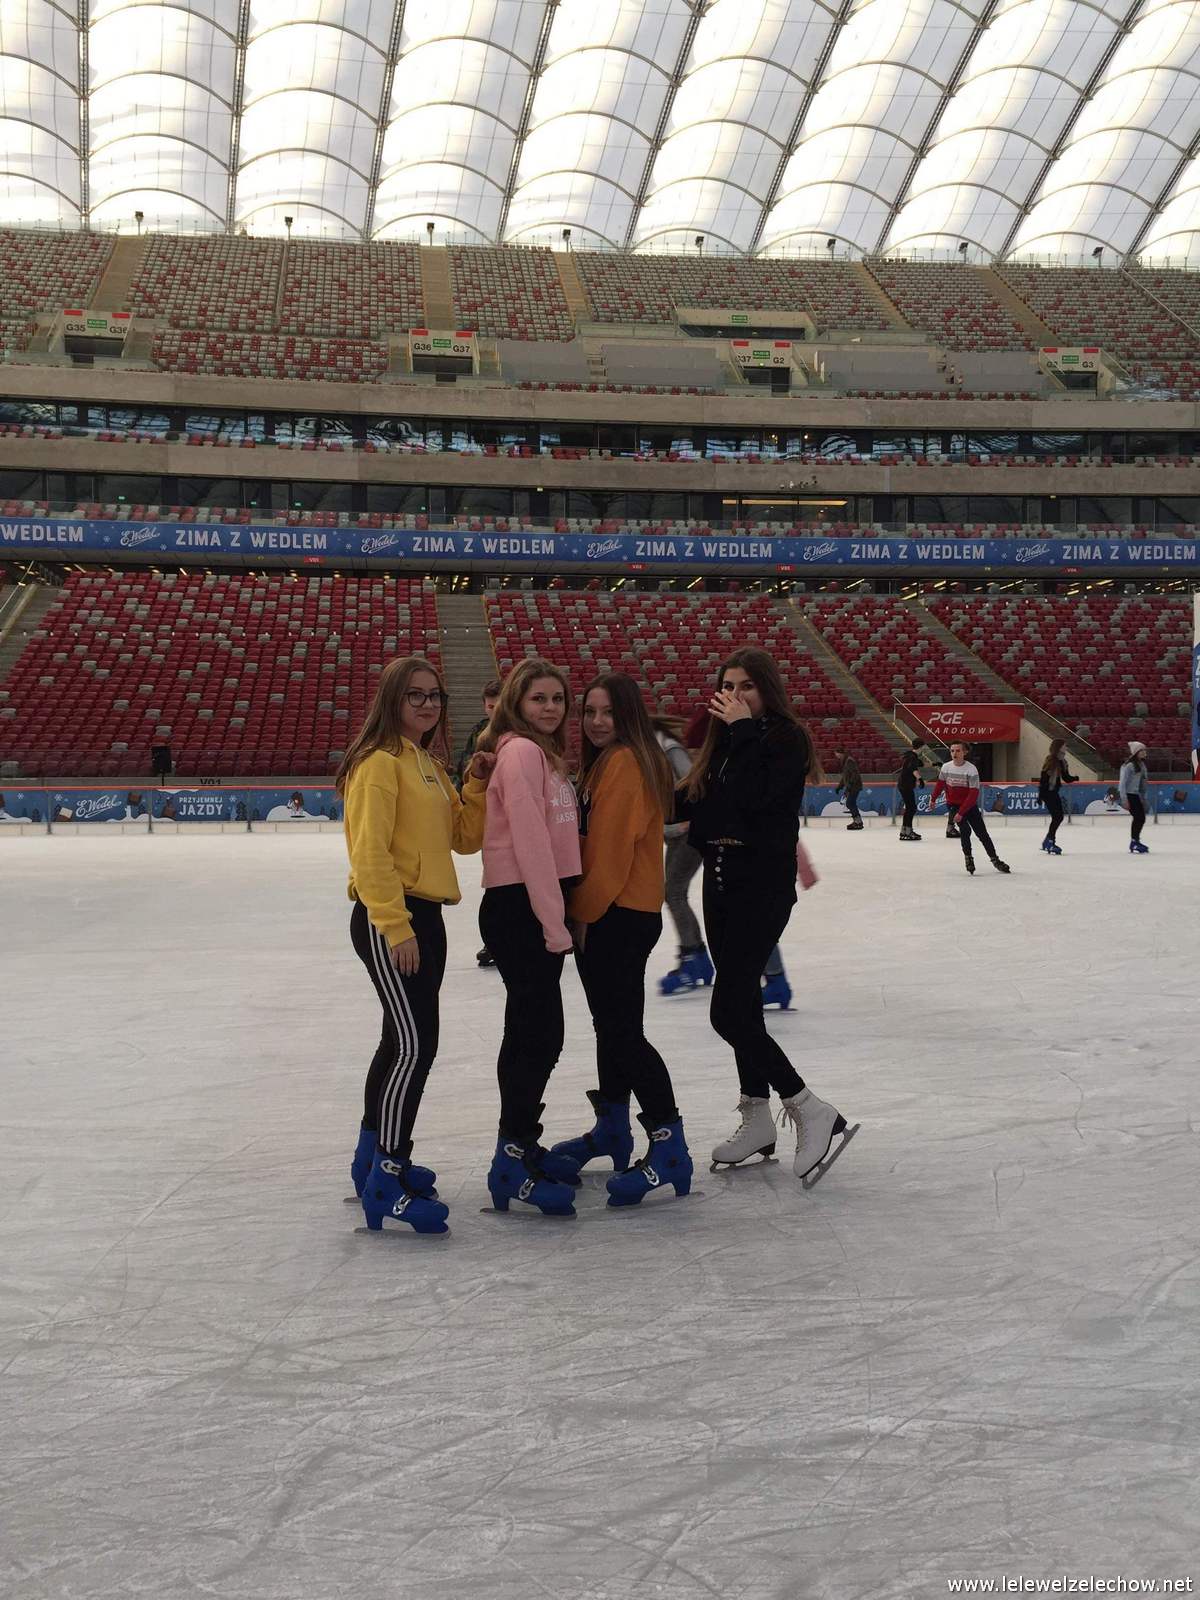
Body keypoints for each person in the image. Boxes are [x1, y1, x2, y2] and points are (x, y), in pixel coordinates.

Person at [677, 647, 856, 1187]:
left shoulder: (783, 738)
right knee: (745, 1005)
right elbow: (704, 810)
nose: (735, 696)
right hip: (719, 881)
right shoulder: (724, 743)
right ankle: (756, 1115)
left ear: (767, 690)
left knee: (727, 1013)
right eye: (728, 686)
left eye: (747, 686)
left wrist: (740, 731)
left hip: (760, 888)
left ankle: (808, 1107)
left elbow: (756, 799)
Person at [338, 655, 491, 1236]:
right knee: (413, 1046)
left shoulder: (426, 763)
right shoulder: (378, 764)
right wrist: (396, 926)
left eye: (435, 696)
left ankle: (372, 1161)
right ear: (392, 700)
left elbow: (463, 837)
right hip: (392, 917)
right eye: (415, 695)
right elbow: (369, 854)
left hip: (426, 915)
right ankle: (387, 1176)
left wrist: (476, 781)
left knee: (400, 1042)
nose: (428, 705)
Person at [548, 675, 692, 1207]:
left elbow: (609, 856)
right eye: (589, 711)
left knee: (623, 1034)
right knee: (611, 1030)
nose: (596, 721)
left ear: (628, 714)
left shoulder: (627, 762)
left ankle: (669, 1145)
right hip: (612, 913)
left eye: (608, 712)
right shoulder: (604, 762)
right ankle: (612, 1127)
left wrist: (580, 914)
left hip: (618, 914)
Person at [475, 659, 584, 1216]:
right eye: (539, 698)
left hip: (533, 903)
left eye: (557, 699)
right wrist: (553, 922)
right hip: (522, 906)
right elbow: (531, 843)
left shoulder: (540, 754)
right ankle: (511, 1158)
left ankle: (518, 1144)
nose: (550, 707)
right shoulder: (520, 753)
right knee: (538, 1036)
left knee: (529, 1032)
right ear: (517, 701)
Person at [654, 712, 714, 996]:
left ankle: (693, 959)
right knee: (674, 893)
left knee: (674, 893)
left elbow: (692, 782)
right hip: (676, 834)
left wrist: (688, 817)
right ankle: (697, 958)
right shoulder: (652, 746)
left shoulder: (666, 747)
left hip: (688, 833)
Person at [455, 678, 503, 966]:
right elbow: (464, 769)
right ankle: (494, 941)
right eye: (490, 707)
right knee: (496, 881)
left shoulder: (525, 731)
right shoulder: (478, 733)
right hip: (490, 816)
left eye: (499, 706)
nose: (494, 712)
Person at [929, 741, 1010, 876]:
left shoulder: (971, 769)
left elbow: (973, 794)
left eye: (958, 751)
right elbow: (940, 784)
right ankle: (968, 858)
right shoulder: (946, 767)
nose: (954, 753)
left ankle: (995, 859)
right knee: (965, 830)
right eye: (952, 751)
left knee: (982, 834)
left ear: (965, 752)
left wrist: (962, 812)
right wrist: (933, 799)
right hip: (953, 805)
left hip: (969, 806)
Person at [1038, 739, 1078, 855]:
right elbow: (1044, 779)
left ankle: (1048, 841)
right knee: (1058, 817)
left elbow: (1066, 778)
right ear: (1059, 747)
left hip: (1054, 792)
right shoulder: (1051, 760)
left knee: (1058, 817)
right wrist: (1040, 795)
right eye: (1064, 746)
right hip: (1048, 792)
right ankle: (1049, 841)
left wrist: (1074, 778)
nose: (1066, 747)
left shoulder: (1063, 761)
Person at [1119, 740, 1151, 854]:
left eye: (1144, 750)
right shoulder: (1129, 766)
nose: (1144, 752)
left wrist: (1143, 797)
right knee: (1139, 817)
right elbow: (1122, 783)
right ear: (1136, 753)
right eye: (1141, 750)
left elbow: (1143, 783)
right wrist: (1124, 799)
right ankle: (1134, 841)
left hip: (1136, 795)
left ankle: (1135, 841)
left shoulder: (1141, 765)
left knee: (1140, 818)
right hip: (1129, 795)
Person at [897, 738, 926, 841]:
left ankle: (904, 831)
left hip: (904, 785)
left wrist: (934, 764)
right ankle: (908, 831)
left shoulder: (910, 756)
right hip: (906, 785)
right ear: (921, 747)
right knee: (911, 808)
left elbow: (919, 764)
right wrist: (920, 779)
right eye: (923, 747)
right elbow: (913, 769)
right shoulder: (912, 757)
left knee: (910, 808)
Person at [833, 749, 863, 830]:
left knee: (850, 803)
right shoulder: (845, 761)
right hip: (851, 786)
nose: (836, 756)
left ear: (841, 753)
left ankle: (858, 822)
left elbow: (855, 774)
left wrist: (850, 785)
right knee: (850, 803)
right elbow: (845, 777)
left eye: (837, 754)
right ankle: (858, 822)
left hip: (854, 786)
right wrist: (839, 787)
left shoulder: (849, 761)